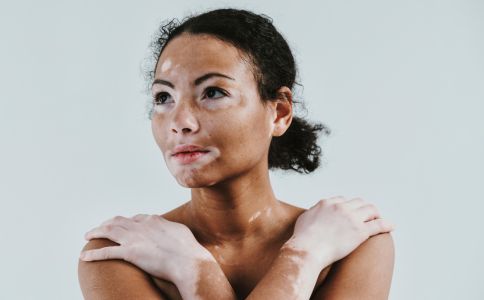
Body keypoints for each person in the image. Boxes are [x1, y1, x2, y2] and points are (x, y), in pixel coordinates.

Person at [78, 8, 395, 300]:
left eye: (213, 92)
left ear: (280, 112)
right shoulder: (119, 252)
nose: (180, 123)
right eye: (163, 97)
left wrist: (305, 251)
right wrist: (301, 260)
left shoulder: (353, 242)